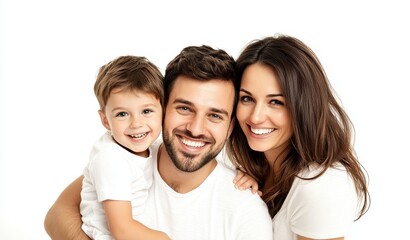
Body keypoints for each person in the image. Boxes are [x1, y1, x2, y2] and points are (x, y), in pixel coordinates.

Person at [44, 45, 273, 240]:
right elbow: (57, 216)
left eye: (214, 115)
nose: (195, 128)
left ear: (230, 126)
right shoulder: (128, 158)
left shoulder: (246, 211)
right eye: (184, 108)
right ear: (163, 108)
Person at [227, 35, 370, 240]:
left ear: (304, 107)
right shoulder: (257, 168)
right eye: (247, 98)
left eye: (275, 102)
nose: (256, 117)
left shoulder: (319, 186)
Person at [80, 55, 170, 239]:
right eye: (122, 114)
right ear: (105, 120)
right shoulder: (110, 159)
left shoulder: (151, 146)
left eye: (146, 111)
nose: (136, 124)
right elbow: (121, 229)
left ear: (163, 110)